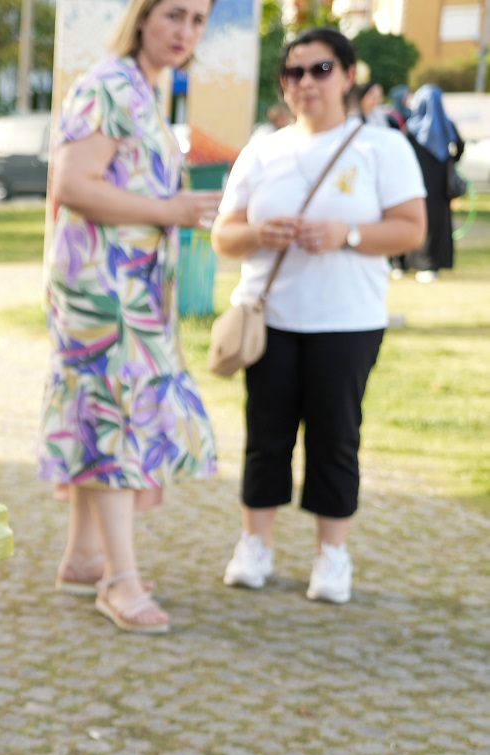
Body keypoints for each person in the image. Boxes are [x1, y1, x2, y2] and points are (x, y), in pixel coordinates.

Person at [211, 27, 425, 604]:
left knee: (335, 437)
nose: (307, 82)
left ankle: (333, 555)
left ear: (348, 75)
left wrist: (346, 233)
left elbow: (412, 229)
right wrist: (259, 232)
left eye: (321, 69)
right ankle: (255, 544)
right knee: (266, 434)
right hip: (271, 318)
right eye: (294, 72)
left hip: (347, 320)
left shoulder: (382, 147)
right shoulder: (263, 150)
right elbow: (223, 236)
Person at [40, 0, 220, 634]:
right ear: (143, 16)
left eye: (198, 20)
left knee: (100, 409)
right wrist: (172, 210)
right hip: (103, 290)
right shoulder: (112, 84)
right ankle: (119, 579)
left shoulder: (141, 87)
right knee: (116, 417)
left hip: (126, 288)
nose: (185, 31)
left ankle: (86, 558)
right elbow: (74, 182)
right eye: (174, 15)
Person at [397, 85, 464, 281]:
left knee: (414, 219)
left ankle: (406, 264)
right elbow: (460, 147)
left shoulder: (411, 127)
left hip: (416, 184)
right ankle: (431, 265)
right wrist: (450, 161)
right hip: (440, 185)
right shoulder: (446, 124)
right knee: (436, 224)